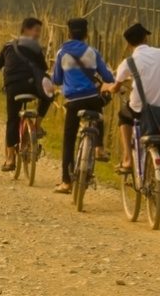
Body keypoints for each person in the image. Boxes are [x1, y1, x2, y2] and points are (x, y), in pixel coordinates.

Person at [103, 23, 160, 214]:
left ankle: (128, 159)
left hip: (139, 108)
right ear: (146, 38)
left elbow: (115, 87)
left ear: (129, 44)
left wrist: (106, 88)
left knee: (123, 116)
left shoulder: (129, 62)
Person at [48, 18, 114, 194]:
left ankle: (66, 182)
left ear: (68, 34)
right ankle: (99, 147)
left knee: (69, 139)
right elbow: (107, 77)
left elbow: (56, 80)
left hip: (73, 102)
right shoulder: (93, 52)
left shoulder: (62, 53)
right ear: (86, 35)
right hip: (92, 97)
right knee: (98, 112)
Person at [0, 17, 52, 172]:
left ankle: (10, 160)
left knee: (12, 120)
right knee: (49, 95)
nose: (38, 34)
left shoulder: (8, 45)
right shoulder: (35, 48)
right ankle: (36, 126)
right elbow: (43, 68)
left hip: (13, 87)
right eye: (36, 31)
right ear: (26, 30)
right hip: (31, 85)